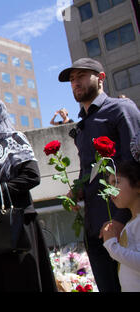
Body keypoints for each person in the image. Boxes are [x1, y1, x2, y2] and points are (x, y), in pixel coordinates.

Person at [59, 57, 140, 292]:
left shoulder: (121, 109)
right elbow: (90, 171)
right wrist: (78, 190)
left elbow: (134, 165)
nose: (75, 82)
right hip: (95, 227)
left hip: (124, 226)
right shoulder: (82, 125)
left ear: (101, 78)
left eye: (81, 76)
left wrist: (121, 218)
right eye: (72, 79)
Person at [0, 98, 57, 292]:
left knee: (20, 280)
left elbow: (32, 177)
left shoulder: (15, 138)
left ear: (1, 114)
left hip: (16, 222)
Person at [102, 160, 140, 292]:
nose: (110, 190)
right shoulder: (132, 222)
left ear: (138, 185)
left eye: (116, 182)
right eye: (109, 184)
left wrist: (111, 246)